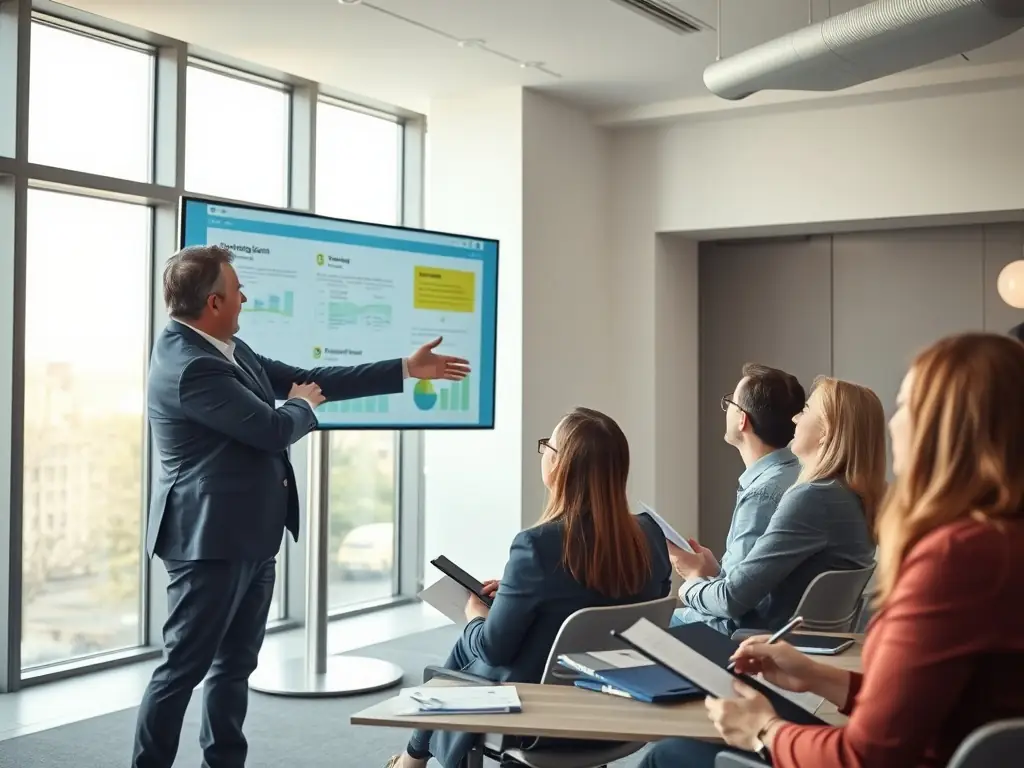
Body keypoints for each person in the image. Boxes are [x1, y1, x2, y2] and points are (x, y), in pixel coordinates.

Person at [132, 245, 470, 768]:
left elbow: (313, 378)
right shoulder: (190, 364)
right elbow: (272, 429)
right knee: (183, 670)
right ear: (215, 302)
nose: (246, 296)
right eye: (238, 289)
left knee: (234, 666)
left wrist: (405, 368)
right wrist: (302, 406)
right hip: (208, 542)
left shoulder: (229, 347)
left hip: (248, 535)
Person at [645, 333, 1024, 768]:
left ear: (944, 429)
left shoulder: (956, 559)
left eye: (905, 407)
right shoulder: (999, 545)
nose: (895, 425)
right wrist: (817, 677)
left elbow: (865, 755)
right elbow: (928, 706)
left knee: (669, 755)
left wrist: (762, 730)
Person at [385, 407, 674, 768]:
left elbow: (495, 651)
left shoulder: (537, 545)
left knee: (468, 644)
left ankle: (413, 758)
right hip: (620, 708)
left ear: (559, 466)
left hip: (540, 714)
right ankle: (414, 759)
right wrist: (515, 591)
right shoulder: (651, 535)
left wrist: (476, 615)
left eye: (547, 448)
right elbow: (600, 601)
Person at [673, 377, 882, 636]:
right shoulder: (853, 498)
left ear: (826, 432)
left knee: (649, 627)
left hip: (754, 645)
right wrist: (712, 572)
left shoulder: (812, 498)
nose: (795, 419)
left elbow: (731, 600)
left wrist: (690, 584)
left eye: (805, 410)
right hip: (794, 644)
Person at [671, 364, 805, 630]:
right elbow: (745, 583)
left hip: (739, 637)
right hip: (774, 627)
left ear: (743, 419)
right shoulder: (799, 475)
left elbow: (732, 606)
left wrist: (692, 580)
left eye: (730, 402)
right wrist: (714, 572)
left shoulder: (762, 495)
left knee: (642, 628)